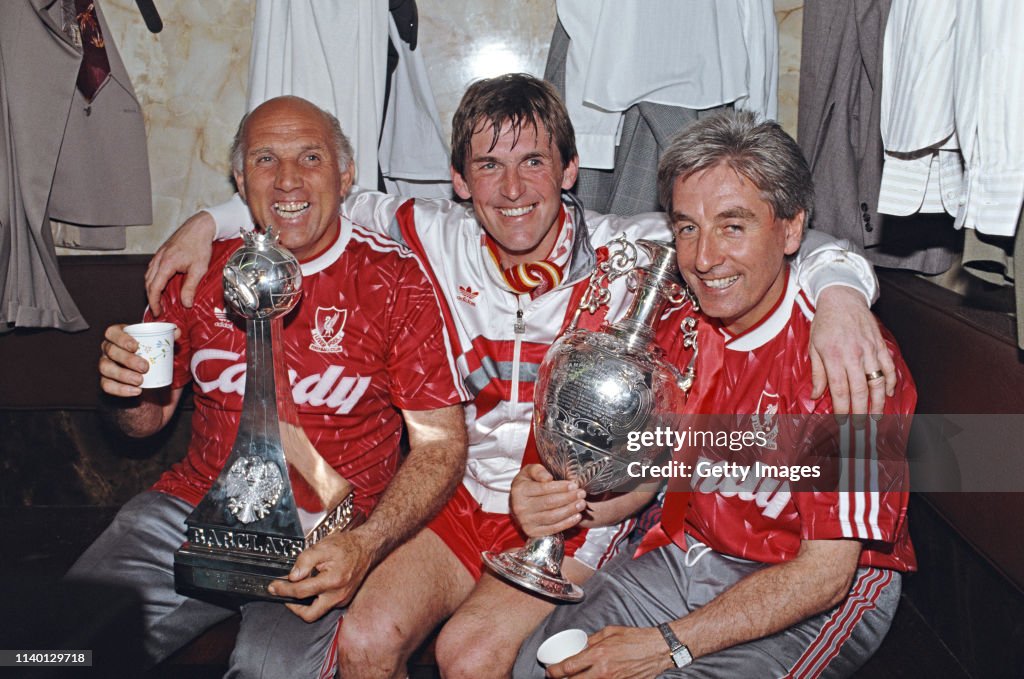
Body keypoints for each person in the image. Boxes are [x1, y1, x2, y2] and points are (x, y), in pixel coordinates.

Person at [144, 74, 897, 678]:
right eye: (488, 166)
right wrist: (211, 221)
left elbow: (763, 232)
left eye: (533, 160)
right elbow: (308, 198)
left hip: (572, 512)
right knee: (366, 639)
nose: (511, 189)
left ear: (570, 169)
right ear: (459, 182)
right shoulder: (427, 233)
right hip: (466, 492)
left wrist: (839, 292)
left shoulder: (635, 249)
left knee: (470, 655)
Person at [66, 96, 468, 678]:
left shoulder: (395, 280)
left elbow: (439, 445)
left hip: (332, 530)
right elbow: (145, 423)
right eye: (264, 160)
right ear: (238, 179)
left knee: (268, 669)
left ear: (346, 173)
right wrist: (125, 391)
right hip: (192, 507)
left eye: (311, 157)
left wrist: (368, 544)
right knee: (55, 644)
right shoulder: (200, 275)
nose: (287, 180)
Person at [513, 111, 916, 679]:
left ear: (792, 229)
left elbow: (826, 574)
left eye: (733, 226)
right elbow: (650, 476)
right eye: (687, 228)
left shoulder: (846, 362)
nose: (703, 259)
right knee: (536, 666)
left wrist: (666, 645)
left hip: (818, 587)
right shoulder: (680, 328)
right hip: (692, 551)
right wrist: (559, 502)